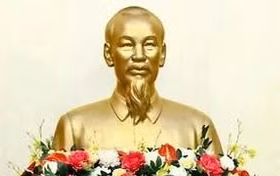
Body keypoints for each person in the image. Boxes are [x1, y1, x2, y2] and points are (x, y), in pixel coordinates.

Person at [53, 6, 222, 152]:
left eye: (149, 45)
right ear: (108, 54)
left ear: (162, 54)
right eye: (127, 45)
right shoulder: (74, 127)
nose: (139, 56)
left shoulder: (197, 127)